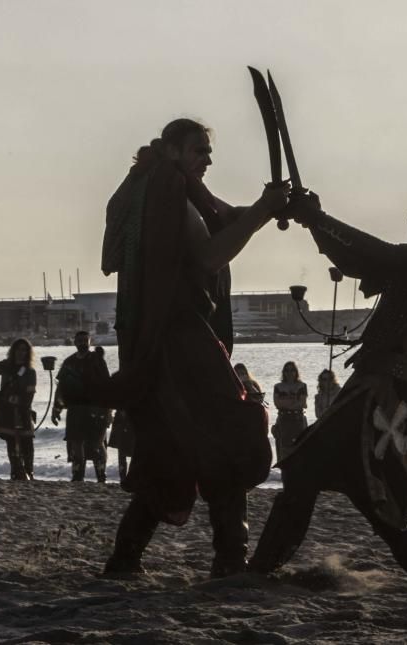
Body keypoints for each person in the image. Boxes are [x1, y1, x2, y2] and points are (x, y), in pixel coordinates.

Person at [249, 185, 407, 589]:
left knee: (370, 497)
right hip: (374, 394)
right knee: (346, 487)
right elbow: (357, 258)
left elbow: (381, 257)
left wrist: (318, 219)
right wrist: (314, 221)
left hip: (386, 399)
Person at [89, 118, 288, 576]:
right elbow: (210, 255)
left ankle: (125, 560)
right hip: (180, 343)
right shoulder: (167, 193)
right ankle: (229, 561)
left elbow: (225, 215)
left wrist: (274, 207)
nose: (208, 159)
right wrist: (261, 212)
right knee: (226, 438)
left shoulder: (168, 189)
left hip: (168, 344)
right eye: (199, 150)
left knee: (170, 451)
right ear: (173, 150)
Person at [52, 331, 111, 482]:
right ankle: (78, 476)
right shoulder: (68, 362)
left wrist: (108, 410)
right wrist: (56, 408)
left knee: (97, 443)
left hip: (95, 408)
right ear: (75, 342)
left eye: (85, 340)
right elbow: (60, 387)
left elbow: (107, 386)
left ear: (90, 341)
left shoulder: (97, 360)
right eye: (79, 340)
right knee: (76, 442)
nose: (82, 343)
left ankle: (101, 476)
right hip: (74, 408)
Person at [0, 339, 38, 480]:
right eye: (19, 349)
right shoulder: (5, 365)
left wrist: (23, 406)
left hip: (23, 410)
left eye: (24, 350)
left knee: (27, 442)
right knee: (12, 441)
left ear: (28, 352)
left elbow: (30, 394)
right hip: (6, 410)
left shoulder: (30, 371)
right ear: (13, 351)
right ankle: (16, 471)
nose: (21, 352)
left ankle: (29, 472)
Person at [272, 361, 308, 461]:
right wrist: (293, 401)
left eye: (292, 370)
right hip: (283, 419)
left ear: (296, 372)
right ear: (283, 372)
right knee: (283, 447)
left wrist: (286, 402)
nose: (289, 372)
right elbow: (277, 403)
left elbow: (302, 403)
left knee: (300, 446)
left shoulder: (302, 385)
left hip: (298, 419)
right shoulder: (278, 386)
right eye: (287, 370)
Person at [107, 409, 133, 481]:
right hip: (123, 424)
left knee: (125, 453)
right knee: (123, 452)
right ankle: (125, 478)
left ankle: (126, 477)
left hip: (127, 424)